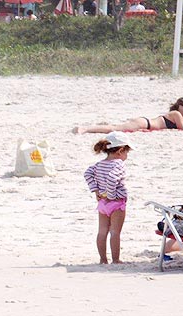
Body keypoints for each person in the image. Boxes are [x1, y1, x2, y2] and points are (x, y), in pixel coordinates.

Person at [84, 131, 131, 265]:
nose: (126, 156)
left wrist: (96, 190)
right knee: (115, 232)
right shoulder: (119, 164)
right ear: (120, 150)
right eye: (126, 152)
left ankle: (103, 259)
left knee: (102, 231)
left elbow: (87, 174)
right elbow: (112, 179)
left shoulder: (99, 164)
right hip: (116, 203)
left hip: (102, 203)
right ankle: (115, 260)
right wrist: (111, 196)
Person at [74, 98, 183, 134]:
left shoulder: (176, 115)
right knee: (114, 129)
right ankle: (85, 128)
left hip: (145, 125)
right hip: (145, 123)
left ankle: (86, 128)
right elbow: (181, 128)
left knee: (115, 128)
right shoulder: (176, 114)